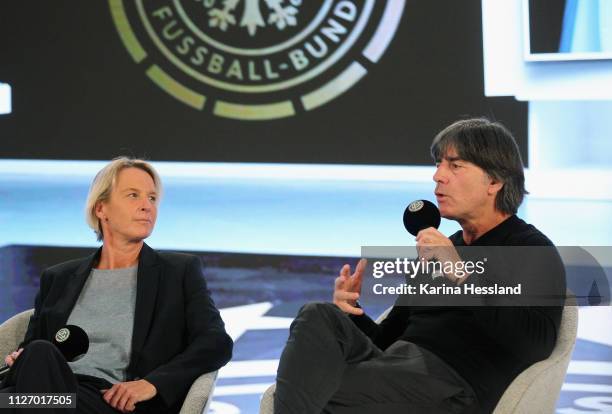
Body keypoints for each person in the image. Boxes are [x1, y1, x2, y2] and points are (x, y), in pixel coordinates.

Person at [273, 118, 566, 414]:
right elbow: (387, 339)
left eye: (455, 165)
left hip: (450, 386)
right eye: (438, 164)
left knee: (318, 394)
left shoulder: (529, 247)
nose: (438, 176)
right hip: (394, 367)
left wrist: (461, 274)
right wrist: (354, 311)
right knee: (317, 314)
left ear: (494, 181)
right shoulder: (439, 249)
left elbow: (537, 344)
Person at [0, 157, 233, 413]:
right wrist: (20, 356)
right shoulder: (59, 277)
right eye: (133, 195)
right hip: (51, 393)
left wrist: (152, 383)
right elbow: (33, 348)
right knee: (37, 359)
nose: (147, 206)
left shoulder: (177, 272)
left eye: (152, 198)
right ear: (101, 208)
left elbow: (216, 343)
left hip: (110, 400)